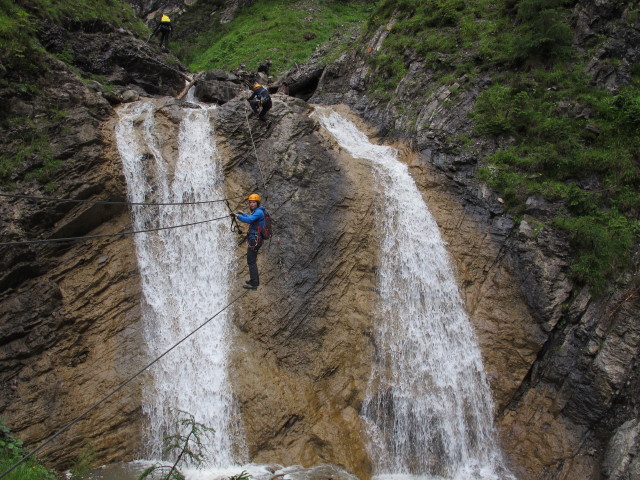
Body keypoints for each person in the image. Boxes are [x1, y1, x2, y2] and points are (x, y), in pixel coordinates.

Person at [233, 193, 266, 290]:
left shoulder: (258, 212)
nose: (251, 204)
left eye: (254, 202)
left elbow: (249, 220)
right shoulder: (258, 211)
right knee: (251, 261)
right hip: (255, 238)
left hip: (255, 239)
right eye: (250, 202)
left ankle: (254, 284)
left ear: (257, 203)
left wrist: (237, 216)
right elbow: (252, 219)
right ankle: (253, 280)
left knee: (251, 261)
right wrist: (243, 214)